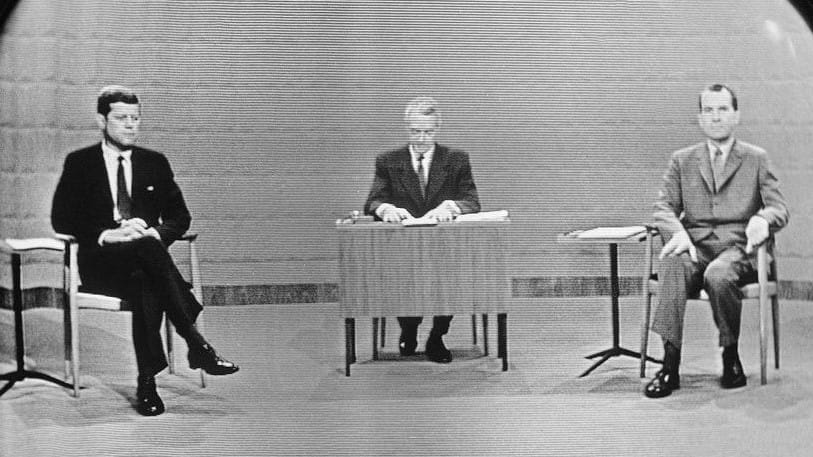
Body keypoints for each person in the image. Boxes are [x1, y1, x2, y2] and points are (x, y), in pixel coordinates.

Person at [51, 86, 239, 416]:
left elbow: (180, 218)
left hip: (146, 267)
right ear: (102, 120)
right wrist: (109, 234)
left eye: (135, 118)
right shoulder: (81, 163)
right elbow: (61, 219)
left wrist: (154, 233)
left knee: (145, 275)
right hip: (102, 266)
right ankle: (195, 342)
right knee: (148, 260)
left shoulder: (154, 163)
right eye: (121, 118)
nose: (130, 125)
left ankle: (147, 382)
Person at [645, 84, 789, 398]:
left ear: (736, 115)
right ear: (700, 118)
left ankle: (730, 354)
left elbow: (779, 208)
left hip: (738, 249)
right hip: (695, 246)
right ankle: (669, 363)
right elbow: (663, 207)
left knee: (718, 274)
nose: (716, 117)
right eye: (708, 110)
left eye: (723, 109)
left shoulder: (756, 159)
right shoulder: (682, 160)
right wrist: (678, 232)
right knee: (672, 262)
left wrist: (763, 219)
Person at [363, 96, 480, 364]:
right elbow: (373, 202)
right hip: (403, 245)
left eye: (428, 132)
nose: (422, 138)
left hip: (444, 245)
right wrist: (385, 209)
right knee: (403, 282)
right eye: (416, 131)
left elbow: (472, 201)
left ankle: (437, 337)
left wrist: (452, 206)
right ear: (407, 128)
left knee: (448, 282)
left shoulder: (457, 159)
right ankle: (409, 329)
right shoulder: (388, 161)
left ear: (437, 129)